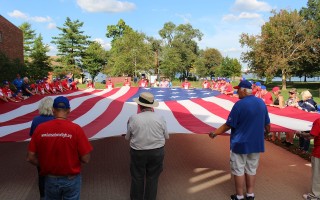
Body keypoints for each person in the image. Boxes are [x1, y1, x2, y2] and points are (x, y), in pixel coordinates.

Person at [208, 80, 270, 200]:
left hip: (240, 143)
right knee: (251, 168)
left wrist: (215, 133)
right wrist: (267, 133)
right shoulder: (261, 103)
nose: (236, 92)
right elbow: (267, 124)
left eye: (238, 90)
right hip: (256, 143)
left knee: (238, 169)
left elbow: (229, 124)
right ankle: (250, 194)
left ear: (243, 90)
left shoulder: (239, 104)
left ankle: (239, 195)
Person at [26, 96, 93, 200]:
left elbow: (30, 157)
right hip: (71, 179)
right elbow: (86, 158)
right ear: (69, 110)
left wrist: (44, 164)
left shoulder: (40, 128)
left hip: (50, 178)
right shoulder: (76, 129)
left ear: (53, 110)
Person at [125, 92, 169, 200]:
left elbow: (127, 137)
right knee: (153, 178)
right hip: (157, 151)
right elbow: (166, 136)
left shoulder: (133, 118)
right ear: (152, 105)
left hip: (138, 152)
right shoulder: (160, 118)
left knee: (137, 177)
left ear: (139, 105)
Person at [29, 97, 55, 200]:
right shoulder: (56, 120)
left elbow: (32, 135)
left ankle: (43, 196)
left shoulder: (36, 120)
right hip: (55, 153)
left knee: (42, 176)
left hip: (41, 153)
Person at [298, 117, 320, 200]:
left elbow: (311, 136)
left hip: (318, 153)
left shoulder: (318, 121)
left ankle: (314, 196)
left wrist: (301, 134)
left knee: (317, 176)